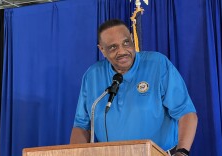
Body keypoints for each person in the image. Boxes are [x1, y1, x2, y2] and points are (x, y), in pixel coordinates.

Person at [70, 19, 198, 156]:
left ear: (132, 38)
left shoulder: (157, 64)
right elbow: (82, 126)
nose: (122, 51)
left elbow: (186, 113)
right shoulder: (92, 76)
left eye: (126, 42)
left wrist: (182, 152)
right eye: (113, 47)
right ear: (102, 50)